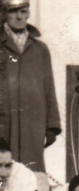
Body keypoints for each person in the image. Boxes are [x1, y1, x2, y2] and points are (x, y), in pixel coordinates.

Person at [0, 0, 60, 172]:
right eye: (13, 11)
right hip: (4, 122)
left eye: (23, 11)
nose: (19, 16)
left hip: (32, 124)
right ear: (5, 13)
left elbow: (49, 87)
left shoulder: (40, 49)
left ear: (28, 13)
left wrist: (52, 126)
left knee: (31, 175)